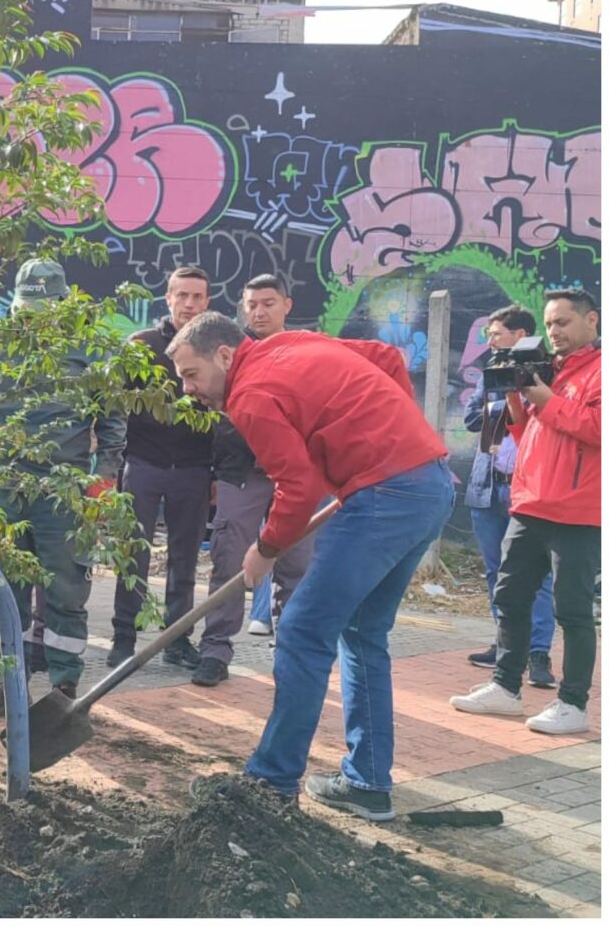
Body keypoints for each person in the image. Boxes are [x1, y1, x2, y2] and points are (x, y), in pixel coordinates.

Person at [168, 311, 455, 819]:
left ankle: (270, 784)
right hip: (428, 486)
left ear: (225, 355)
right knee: (362, 633)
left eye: (192, 375)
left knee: (301, 631)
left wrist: (266, 547)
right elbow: (388, 358)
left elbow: (296, 487)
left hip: (385, 496)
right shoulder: (291, 342)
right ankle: (367, 785)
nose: (188, 389)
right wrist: (389, 438)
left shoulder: (250, 396)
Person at [0, 258, 128, 713]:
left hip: (64, 489)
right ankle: (9, 686)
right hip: (4, 485)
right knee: (5, 589)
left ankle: (63, 690)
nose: (34, 318)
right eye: (27, 307)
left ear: (63, 302)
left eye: (44, 308)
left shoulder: (93, 347)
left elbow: (113, 418)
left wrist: (104, 476)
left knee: (64, 589)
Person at [452, 288, 598, 737]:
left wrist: (546, 398)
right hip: (530, 503)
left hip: (578, 510)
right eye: (550, 323)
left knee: (571, 609)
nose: (554, 331)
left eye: (563, 322)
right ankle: (505, 687)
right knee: (510, 597)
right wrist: (516, 396)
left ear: (592, 321)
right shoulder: (547, 369)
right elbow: (525, 431)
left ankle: (573, 703)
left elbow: (595, 428)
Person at [196, 274, 313, 685]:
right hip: (238, 472)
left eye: (268, 303)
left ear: (287, 305)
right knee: (228, 562)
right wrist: (214, 473)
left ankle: (291, 652)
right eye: (251, 305)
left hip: (294, 474)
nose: (259, 311)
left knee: (296, 566)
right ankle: (215, 651)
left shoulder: (305, 349)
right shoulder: (229, 352)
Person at [103, 267, 217, 672]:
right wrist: (113, 462)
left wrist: (217, 473)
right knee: (132, 555)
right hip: (144, 465)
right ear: (167, 298)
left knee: (184, 561)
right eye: (182, 295)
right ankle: (123, 640)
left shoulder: (217, 349)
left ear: (207, 301)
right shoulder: (141, 345)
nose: (189, 304)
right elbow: (112, 404)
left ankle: (177, 641)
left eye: (197, 297)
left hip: (195, 469)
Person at [458, 305, 557, 687]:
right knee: (495, 572)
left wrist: (522, 394)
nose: (490, 340)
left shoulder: (547, 369)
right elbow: (470, 418)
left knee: (538, 575)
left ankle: (538, 654)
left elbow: (546, 415)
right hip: (489, 484)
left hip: (529, 488)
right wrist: (503, 396)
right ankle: (504, 645)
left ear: (521, 334)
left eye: (496, 333)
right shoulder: (492, 370)